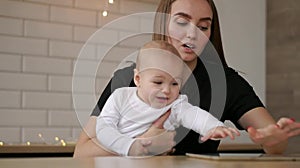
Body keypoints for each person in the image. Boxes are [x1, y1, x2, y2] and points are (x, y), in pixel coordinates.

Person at [73, 0, 300, 157]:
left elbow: (274, 143)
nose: (192, 34)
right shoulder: (125, 80)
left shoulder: (226, 82)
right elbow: (81, 152)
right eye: (182, 22)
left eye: (203, 26)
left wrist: (274, 139)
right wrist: (143, 144)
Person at [95, 40, 240, 156]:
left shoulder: (176, 104)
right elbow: (103, 128)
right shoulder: (121, 97)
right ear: (138, 79)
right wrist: (130, 146)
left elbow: (195, 115)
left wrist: (213, 127)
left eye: (175, 83)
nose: (167, 90)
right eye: (158, 82)